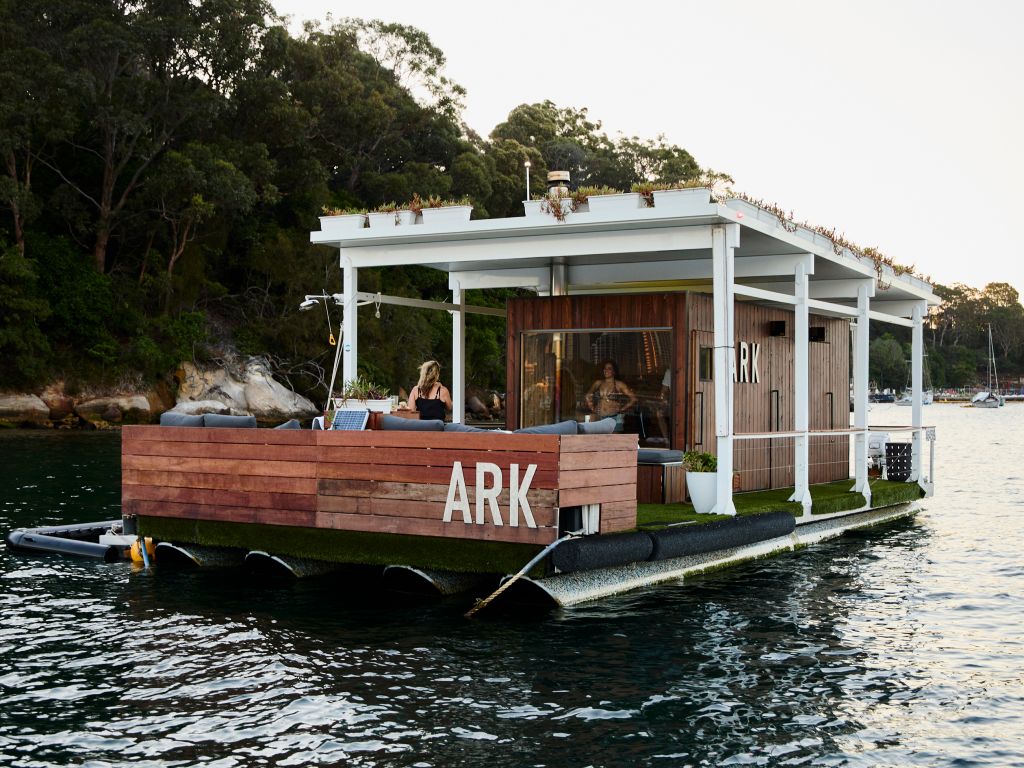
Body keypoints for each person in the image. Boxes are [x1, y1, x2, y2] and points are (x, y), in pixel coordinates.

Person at [584, 360, 637, 431]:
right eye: (605, 368)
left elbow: (633, 399)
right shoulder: (598, 383)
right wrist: (592, 407)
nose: (606, 370)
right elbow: (588, 395)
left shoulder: (619, 384)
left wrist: (622, 409)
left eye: (609, 368)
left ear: (614, 371)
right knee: (600, 441)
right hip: (599, 417)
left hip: (615, 418)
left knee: (613, 441)